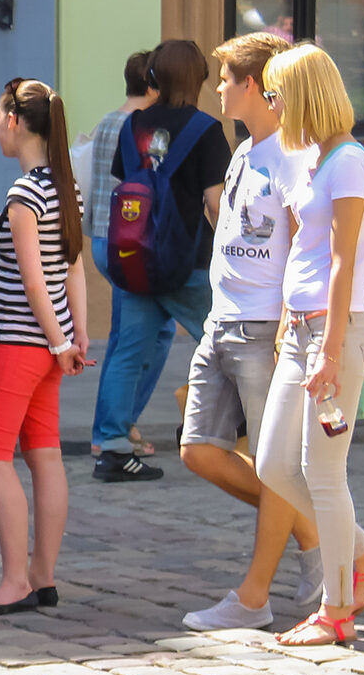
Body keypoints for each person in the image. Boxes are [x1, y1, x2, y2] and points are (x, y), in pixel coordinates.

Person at [254, 44, 364, 646]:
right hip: (303, 332)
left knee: (321, 473)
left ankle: (337, 611)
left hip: (335, 334)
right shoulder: (313, 159)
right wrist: (291, 318)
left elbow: (344, 265)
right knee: (272, 465)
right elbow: (307, 254)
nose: (270, 103)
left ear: (301, 93)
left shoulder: (350, 164)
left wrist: (332, 351)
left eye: (274, 92)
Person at [182, 34, 327, 630]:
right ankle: (328, 542)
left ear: (253, 86)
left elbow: (308, 241)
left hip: (266, 324)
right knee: (199, 451)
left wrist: (293, 319)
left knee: (274, 464)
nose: (217, 88)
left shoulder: (294, 153)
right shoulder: (243, 151)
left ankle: (253, 598)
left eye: (225, 79)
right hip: (223, 319)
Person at [0, 80, 88, 618]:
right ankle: (43, 575)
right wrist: (74, 334)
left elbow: (37, 282)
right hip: (50, 346)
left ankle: (16, 579)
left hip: (20, 343)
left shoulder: (23, 195)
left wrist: (61, 338)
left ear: (15, 123)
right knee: (45, 456)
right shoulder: (64, 186)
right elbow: (73, 268)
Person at [91, 39, 231, 482]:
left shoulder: (131, 127)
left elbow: (126, 182)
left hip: (137, 261)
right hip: (188, 263)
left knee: (127, 353)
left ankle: (112, 447)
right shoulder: (206, 130)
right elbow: (216, 203)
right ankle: (240, 429)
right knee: (229, 339)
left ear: (153, 79)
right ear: (200, 80)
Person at [72, 52, 172, 458]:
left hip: (103, 240)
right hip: (127, 244)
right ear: (151, 85)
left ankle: (112, 426)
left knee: (129, 335)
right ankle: (116, 426)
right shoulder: (142, 128)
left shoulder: (109, 120)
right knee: (145, 336)